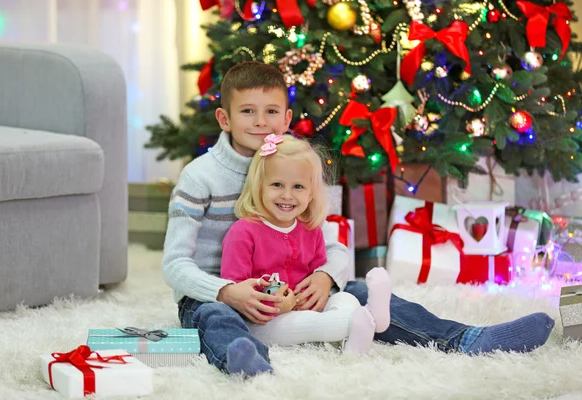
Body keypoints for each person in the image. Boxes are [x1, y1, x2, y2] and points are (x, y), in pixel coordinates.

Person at [163, 61, 555, 377]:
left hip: (291, 287)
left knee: (359, 291)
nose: (260, 122)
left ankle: (464, 339)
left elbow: (327, 241)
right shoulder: (200, 177)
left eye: (270, 112)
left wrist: (324, 277)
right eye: (247, 111)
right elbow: (175, 263)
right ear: (224, 118)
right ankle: (247, 361)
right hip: (216, 293)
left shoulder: (298, 166)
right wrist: (225, 292)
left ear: (286, 118)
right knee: (214, 317)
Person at [220, 133, 392, 354]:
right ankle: (366, 321)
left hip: (309, 309)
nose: (287, 195)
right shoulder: (243, 232)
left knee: (344, 297)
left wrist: (322, 288)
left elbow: (318, 274)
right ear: (259, 186)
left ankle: (362, 331)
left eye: (298, 187)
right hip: (262, 322)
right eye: (277, 185)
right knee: (311, 324)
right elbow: (236, 288)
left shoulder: (311, 230)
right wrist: (277, 303)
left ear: (311, 194)